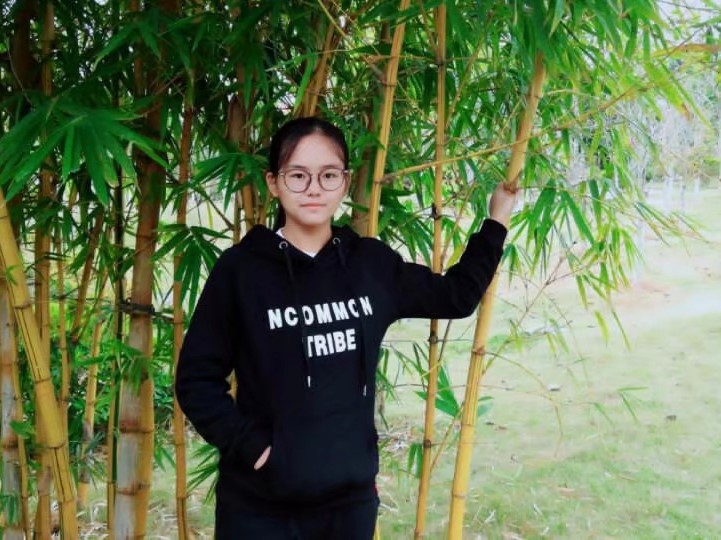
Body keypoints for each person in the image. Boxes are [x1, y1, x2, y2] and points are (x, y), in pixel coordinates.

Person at [175, 116, 516, 539]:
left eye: (328, 175)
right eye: (298, 175)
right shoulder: (242, 272)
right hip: (260, 507)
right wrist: (252, 447)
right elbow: (196, 379)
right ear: (273, 183)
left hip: (349, 505)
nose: (314, 188)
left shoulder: (370, 265)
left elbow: (456, 296)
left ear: (345, 182)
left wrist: (496, 222)